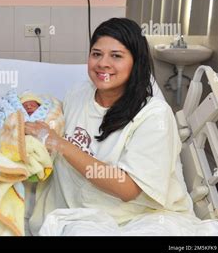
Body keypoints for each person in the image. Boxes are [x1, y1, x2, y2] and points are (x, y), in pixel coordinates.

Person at [25, 18, 193, 235]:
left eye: (116, 56)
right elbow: (52, 128)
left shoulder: (153, 115)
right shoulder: (78, 94)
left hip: (137, 218)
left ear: (136, 61)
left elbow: (127, 188)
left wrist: (59, 144)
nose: (103, 63)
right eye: (96, 54)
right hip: (77, 212)